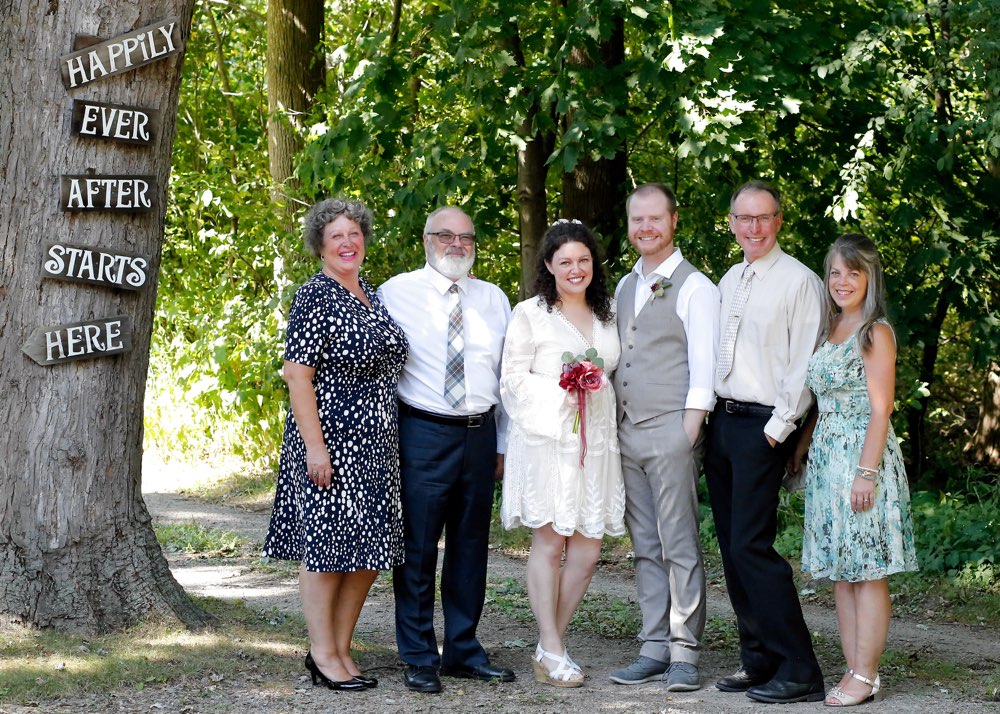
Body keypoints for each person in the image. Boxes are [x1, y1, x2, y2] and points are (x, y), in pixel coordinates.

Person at [262, 198, 408, 692]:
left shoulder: (370, 292)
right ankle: (322, 654)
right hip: (333, 439)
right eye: (336, 236)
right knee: (327, 551)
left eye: (354, 233)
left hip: (378, 441)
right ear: (321, 247)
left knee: (369, 551)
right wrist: (315, 448)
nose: (348, 242)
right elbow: (297, 376)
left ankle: (342, 648)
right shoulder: (315, 296)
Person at [378, 206, 514, 694]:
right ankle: (417, 654)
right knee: (417, 549)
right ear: (426, 239)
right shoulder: (394, 293)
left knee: (471, 546)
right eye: (445, 236)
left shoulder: (494, 299)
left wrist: (502, 442)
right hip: (423, 433)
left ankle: (463, 649)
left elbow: (506, 377)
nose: (456, 245)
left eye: (466, 237)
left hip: (479, 433)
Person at [704, 180, 826, 704]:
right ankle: (758, 660)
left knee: (752, 546)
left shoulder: (799, 281)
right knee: (732, 549)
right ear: (731, 223)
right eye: (743, 218)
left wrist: (780, 429)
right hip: (722, 422)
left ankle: (800, 666)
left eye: (763, 217)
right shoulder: (731, 278)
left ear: (779, 221)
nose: (753, 228)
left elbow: (805, 362)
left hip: (764, 427)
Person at [787, 233, 918, 706]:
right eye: (835, 273)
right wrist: (802, 444)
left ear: (869, 277)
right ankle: (853, 668)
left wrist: (867, 473)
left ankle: (867, 674)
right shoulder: (831, 326)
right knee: (844, 573)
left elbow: (881, 409)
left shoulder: (874, 332)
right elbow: (823, 402)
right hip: (827, 460)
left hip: (864, 459)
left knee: (868, 572)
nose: (842, 282)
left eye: (853, 273)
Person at [500, 219, 625, 688]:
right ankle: (552, 647)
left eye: (584, 260)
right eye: (566, 262)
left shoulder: (607, 312)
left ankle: (548, 642)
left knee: (589, 551)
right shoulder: (530, 313)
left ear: (594, 264)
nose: (576, 269)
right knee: (551, 543)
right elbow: (511, 379)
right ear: (549, 265)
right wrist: (563, 390)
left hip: (597, 444)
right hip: (547, 441)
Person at [609, 184, 719, 691]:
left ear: (674, 221)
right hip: (628, 431)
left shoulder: (697, 287)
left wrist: (687, 434)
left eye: (655, 219)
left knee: (679, 543)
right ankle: (653, 645)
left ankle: (685, 651)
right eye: (637, 220)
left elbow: (704, 369)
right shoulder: (627, 284)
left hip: (672, 429)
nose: (645, 228)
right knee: (645, 545)